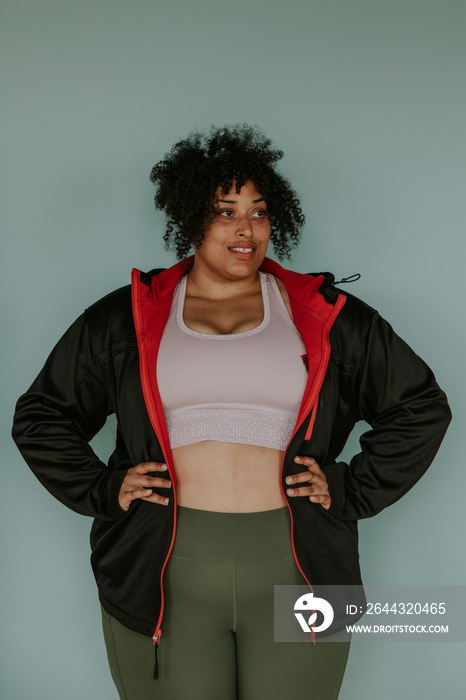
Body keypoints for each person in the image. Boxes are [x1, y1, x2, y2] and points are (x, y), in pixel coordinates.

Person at [12, 125, 451, 700]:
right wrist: (103, 488)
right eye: (225, 211)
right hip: (163, 569)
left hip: (303, 567)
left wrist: (349, 489)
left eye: (260, 212)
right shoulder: (128, 318)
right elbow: (42, 414)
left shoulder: (327, 314)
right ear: (191, 219)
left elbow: (420, 406)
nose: (247, 230)